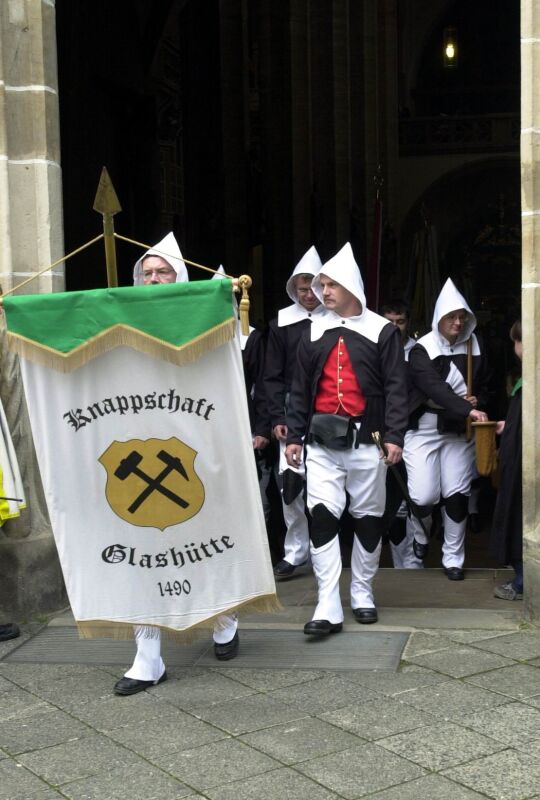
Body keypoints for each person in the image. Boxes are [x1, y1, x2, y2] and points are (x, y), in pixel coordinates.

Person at [113, 235, 238, 697]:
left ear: (180, 277)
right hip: (135, 451)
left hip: (192, 452)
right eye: (146, 272)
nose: (152, 279)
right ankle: (148, 658)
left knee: (200, 547)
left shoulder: (202, 323)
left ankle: (223, 617)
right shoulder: (119, 322)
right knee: (142, 555)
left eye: (162, 271)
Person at [285, 243, 408, 634]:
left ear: (351, 286)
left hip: (367, 441)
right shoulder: (314, 330)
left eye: (330, 284)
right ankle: (326, 602)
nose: (324, 291)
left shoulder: (382, 331)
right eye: (322, 285)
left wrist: (394, 436)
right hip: (321, 443)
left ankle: (362, 592)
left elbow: (396, 387)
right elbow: (300, 387)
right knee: (321, 516)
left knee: (368, 518)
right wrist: (294, 436)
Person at [404, 278, 490, 581]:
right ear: (439, 317)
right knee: (424, 496)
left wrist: (479, 401)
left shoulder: (475, 347)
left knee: (456, 494)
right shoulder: (421, 350)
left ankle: (453, 557)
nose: (457, 322)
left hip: (459, 432)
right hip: (424, 430)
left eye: (461, 317)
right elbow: (433, 388)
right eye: (451, 317)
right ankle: (421, 532)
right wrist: (467, 406)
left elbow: (489, 386)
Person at [264, 246, 325, 579]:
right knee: (291, 484)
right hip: (291, 413)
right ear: (294, 289)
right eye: (302, 288)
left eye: (314, 287)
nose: (309, 294)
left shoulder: (336, 322)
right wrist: (277, 417)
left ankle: (323, 551)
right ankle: (295, 550)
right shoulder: (281, 325)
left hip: (328, 412)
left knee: (325, 485)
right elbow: (271, 376)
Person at [380, 301, 422, 569]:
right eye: (390, 322)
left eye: (401, 322)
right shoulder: (373, 344)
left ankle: (409, 564)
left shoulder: (418, 352)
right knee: (384, 500)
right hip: (378, 431)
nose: (395, 328)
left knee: (412, 496)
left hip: (412, 431)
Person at [490, 320, 523, 600]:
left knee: (519, 517)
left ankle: (523, 581)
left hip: (522, 465)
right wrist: (506, 425)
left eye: (516, 341)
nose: (514, 348)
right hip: (517, 456)